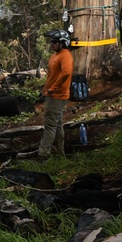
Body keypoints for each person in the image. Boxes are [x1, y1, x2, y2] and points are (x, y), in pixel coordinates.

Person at [39, 29, 73, 159]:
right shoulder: (54, 55)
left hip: (57, 96)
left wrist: (54, 88)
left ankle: (43, 154)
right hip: (50, 94)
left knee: (50, 126)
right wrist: (46, 90)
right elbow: (52, 75)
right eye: (51, 41)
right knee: (57, 124)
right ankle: (60, 153)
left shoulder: (66, 55)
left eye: (54, 41)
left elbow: (66, 73)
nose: (51, 44)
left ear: (62, 43)